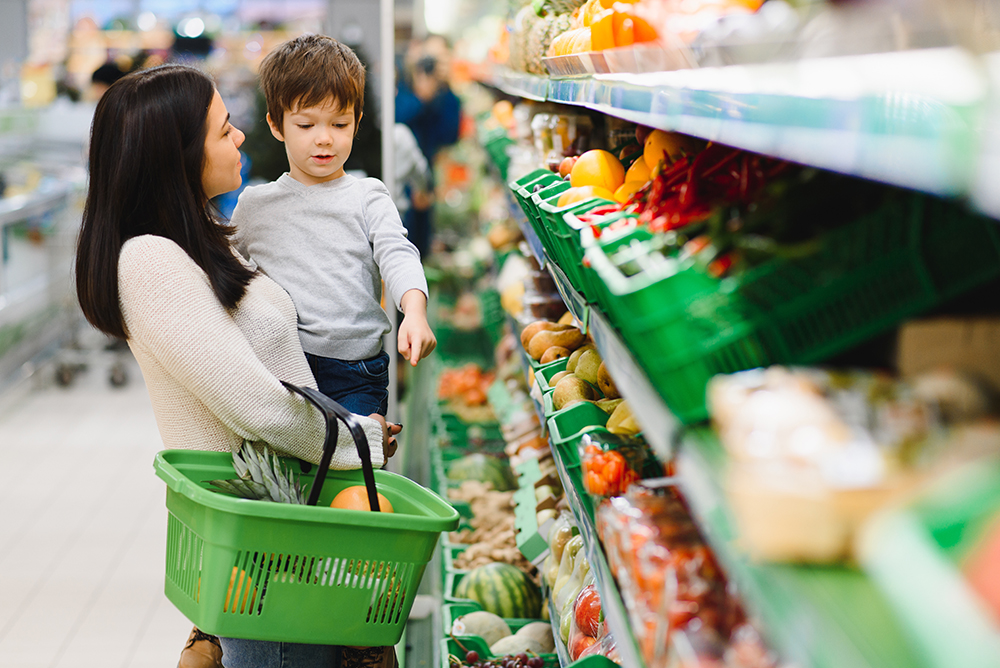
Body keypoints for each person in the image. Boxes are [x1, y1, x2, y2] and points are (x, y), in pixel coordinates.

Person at [74, 63, 399, 668]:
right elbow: (256, 405)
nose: (242, 138)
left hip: (288, 533)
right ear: (179, 155)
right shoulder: (150, 262)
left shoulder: (206, 237)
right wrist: (366, 439)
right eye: (224, 131)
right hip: (263, 554)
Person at [230, 34, 436, 418]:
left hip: (356, 373)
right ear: (277, 126)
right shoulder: (256, 205)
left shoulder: (368, 196)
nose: (324, 139)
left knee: (355, 471)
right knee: (299, 475)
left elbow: (397, 252)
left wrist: (415, 311)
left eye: (339, 124)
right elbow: (226, 270)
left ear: (357, 122)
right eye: (306, 125)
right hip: (283, 370)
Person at [394, 34, 462, 256]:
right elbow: (396, 119)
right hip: (398, 175)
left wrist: (445, 87)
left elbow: (450, 135)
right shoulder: (402, 81)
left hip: (427, 174)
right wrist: (420, 97)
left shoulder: (444, 93)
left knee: (420, 244)